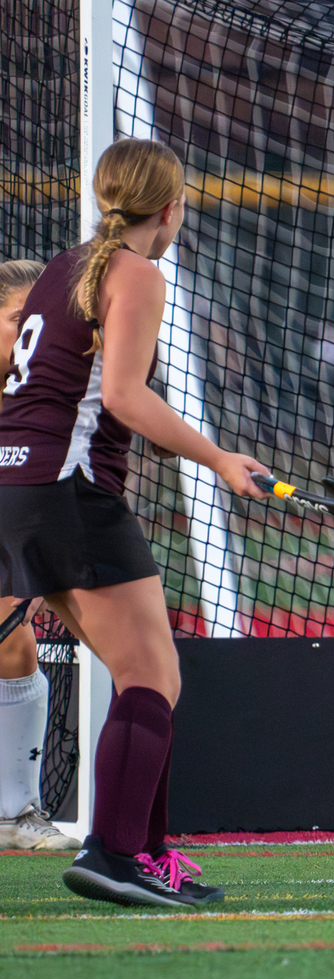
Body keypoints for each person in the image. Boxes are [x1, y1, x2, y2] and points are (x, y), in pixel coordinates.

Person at [0, 138, 269, 905]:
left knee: (145, 675)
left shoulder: (64, 265)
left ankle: (145, 853)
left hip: (15, 483)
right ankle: (117, 854)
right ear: (171, 208)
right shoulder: (137, 273)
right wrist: (218, 459)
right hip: (66, 489)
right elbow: (121, 397)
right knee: (152, 675)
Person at [0, 258, 78, 851]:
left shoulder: (35, 402)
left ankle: (15, 815)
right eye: (14, 320)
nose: (27, 335)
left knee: (16, 642)